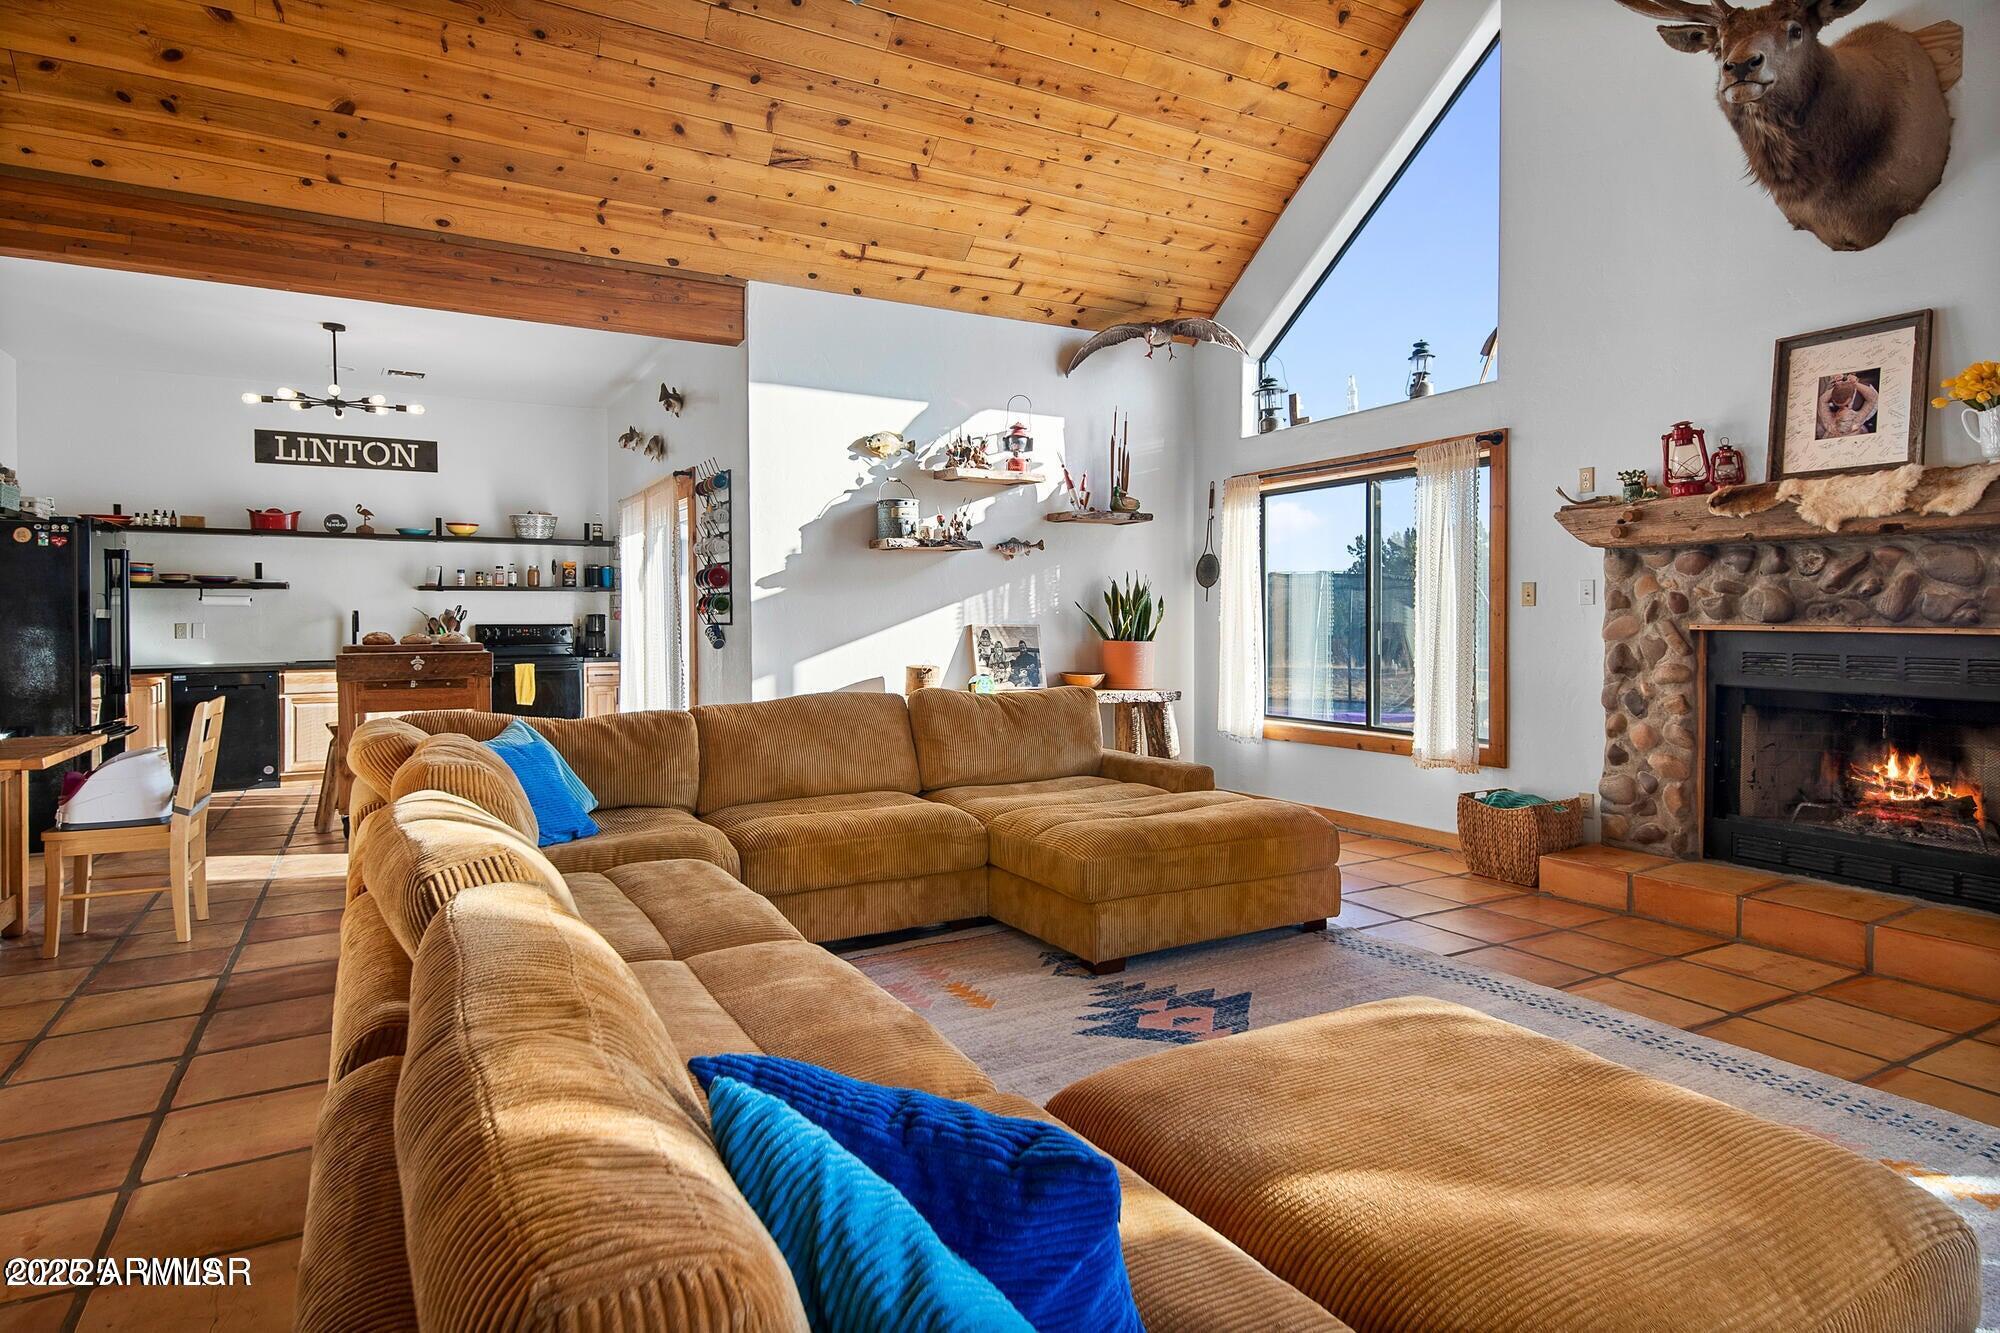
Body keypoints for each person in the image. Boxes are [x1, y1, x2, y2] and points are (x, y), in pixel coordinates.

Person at [1817, 372, 1880, 439]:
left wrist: (1839, 385)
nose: (1842, 408)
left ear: (1836, 417)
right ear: (1853, 415)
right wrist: (1853, 384)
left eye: (1839, 411)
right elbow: (1873, 399)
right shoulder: (1857, 420)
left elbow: (1822, 401)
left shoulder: (1831, 426)